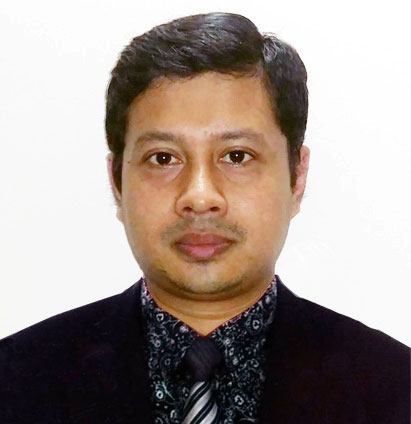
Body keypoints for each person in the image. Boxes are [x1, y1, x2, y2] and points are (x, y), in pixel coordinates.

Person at [0, 11, 409, 424]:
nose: (199, 197)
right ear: (117, 182)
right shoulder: (16, 381)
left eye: (237, 156)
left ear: (297, 177)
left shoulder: (394, 387)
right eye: (163, 158)